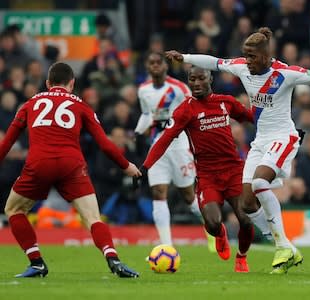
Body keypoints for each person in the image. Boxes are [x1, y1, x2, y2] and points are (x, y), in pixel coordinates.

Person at [165, 27, 310, 274]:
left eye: (252, 57)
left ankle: (283, 246)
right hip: (260, 141)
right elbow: (214, 62)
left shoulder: (286, 73)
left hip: (283, 137)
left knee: (258, 182)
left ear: (266, 56)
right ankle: (285, 246)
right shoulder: (242, 68)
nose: (247, 61)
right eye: (245, 56)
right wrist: (186, 58)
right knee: (247, 202)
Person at [0, 62, 141, 278]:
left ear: (48, 84)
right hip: (71, 165)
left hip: (39, 164)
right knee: (93, 218)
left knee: (14, 210)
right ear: (72, 83)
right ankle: (113, 258)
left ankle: (36, 262)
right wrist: (127, 166)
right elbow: (104, 143)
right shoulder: (82, 105)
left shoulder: (30, 104)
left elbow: (7, 142)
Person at [143, 66, 255, 273]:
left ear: (210, 78)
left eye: (200, 78)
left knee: (246, 220)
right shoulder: (185, 110)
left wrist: (282, 130)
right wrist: (146, 166)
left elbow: (251, 118)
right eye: (191, 79)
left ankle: (241, 257)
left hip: (234, 171)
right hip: (208, 175)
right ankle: (219, 234)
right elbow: (164, 139)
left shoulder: (226, 102)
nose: (195, 83)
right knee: (213, 223)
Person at [134, 52, 200, 246]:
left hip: (179, 144)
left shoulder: (179, 89)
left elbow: (193, 110)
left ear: (165, 66)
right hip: (157, 145)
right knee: (158, 192)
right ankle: (167, 246)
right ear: (147, 67)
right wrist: (137, 132)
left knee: (189, 196)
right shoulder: (143, 90)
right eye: (151, 63)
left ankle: (211, 229)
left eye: (158, 63)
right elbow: (147, 114)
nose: (155, 66)